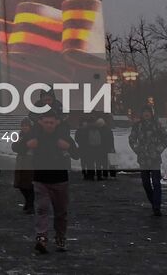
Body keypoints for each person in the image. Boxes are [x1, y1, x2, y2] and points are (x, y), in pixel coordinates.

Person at [27, 109, 77, 254]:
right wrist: (28, 145)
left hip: (60, 179)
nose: (49, 125)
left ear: (57, 123)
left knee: (61, 212)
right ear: (41, 122)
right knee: (42, 208)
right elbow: (17, 146)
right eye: (46, 122)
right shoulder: (35, 135)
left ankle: (60, 237)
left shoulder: (64, 136)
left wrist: (68, 147)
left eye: (51, 122)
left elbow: (77, 154)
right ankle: (41, 237)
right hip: (40, 179)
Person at [128, 106, 167, 216]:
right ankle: (153, 201)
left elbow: (165, 140)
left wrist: (157, 151)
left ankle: (157, 206)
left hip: (155, 159)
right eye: (144, 112)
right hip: (143, 159)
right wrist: (138, 150)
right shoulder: (137, 126)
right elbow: (132, 139)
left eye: (148, 112)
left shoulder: (157, 125)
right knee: (146, 183)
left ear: (151, 114)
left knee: (156, 183)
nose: (146, 114)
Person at [11, 118, 35, 214]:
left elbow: (22, 148)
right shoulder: (20, 135)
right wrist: (20, 147)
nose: (24, 127)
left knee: (28, 185)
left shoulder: (33, 136)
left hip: (29, 162)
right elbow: (14, 147)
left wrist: (20, 147)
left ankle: (30, 205)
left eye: (26, 125)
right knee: (21, 184)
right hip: (21, 162)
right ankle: (28, 202)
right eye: (23, 125)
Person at [75, 115, 103, 181]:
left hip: (89, 148)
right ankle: (97, 176)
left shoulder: (85, 129)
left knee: (90, 163)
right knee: (96, 163)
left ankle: (91, 176)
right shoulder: (98, 128)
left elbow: (78, 138)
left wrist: (82, 144)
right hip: (95, 148)